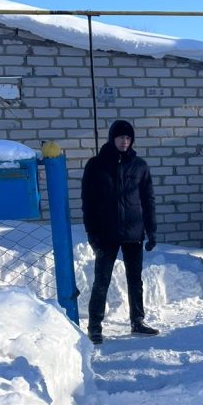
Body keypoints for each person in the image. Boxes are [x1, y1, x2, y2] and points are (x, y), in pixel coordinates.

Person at [81, 118, 159, 344]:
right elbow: (88, 202)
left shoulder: (140, 166)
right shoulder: (96, 165)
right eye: (120, 137)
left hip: (133, 233)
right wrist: (91, 233)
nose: (124, 142)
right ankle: (94, 326)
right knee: (101, 280)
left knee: (135, 280)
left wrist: (151, 230)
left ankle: (138, 320)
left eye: (128, 138)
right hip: (106, 233)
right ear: (112, 138)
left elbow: (148, 200)